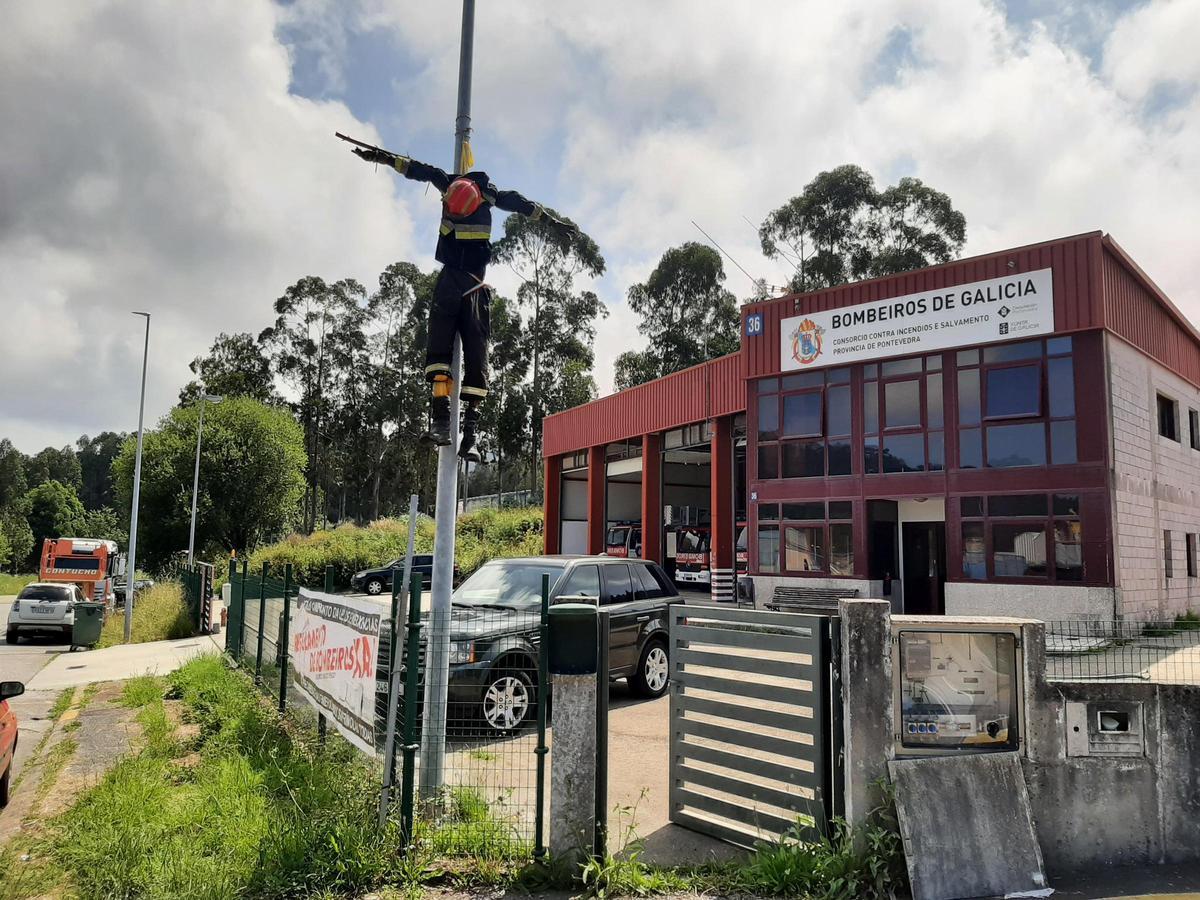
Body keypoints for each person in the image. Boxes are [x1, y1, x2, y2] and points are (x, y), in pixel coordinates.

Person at [351, 145, 576, 459]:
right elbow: (416, 169)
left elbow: (525, 206)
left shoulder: (491, 195)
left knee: (477, 356)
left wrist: (553, 223)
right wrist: (382, 157)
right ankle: (441, 422)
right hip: (449, 281)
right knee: (438, 351)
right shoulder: (447, 182)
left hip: (473, 285)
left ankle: (470, 435)